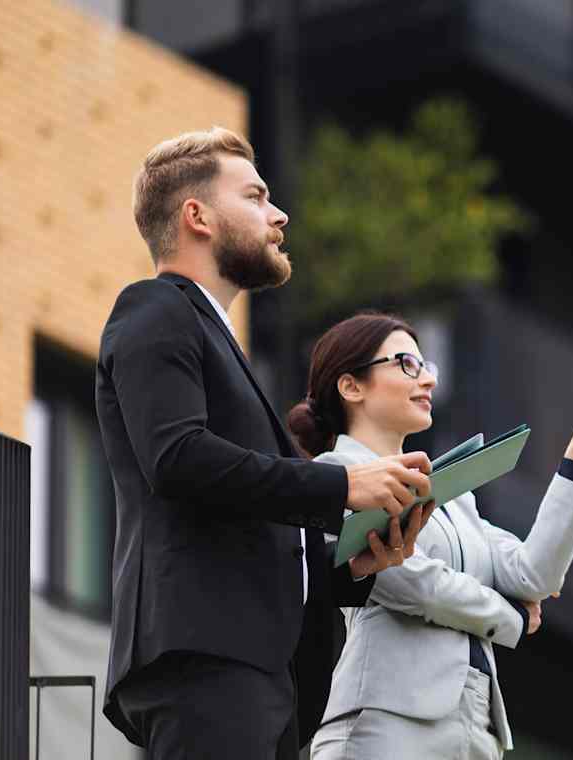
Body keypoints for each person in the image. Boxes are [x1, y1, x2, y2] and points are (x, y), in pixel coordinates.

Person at [96, 127, 439, 759]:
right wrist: (343, 486)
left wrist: (352, 571)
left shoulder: (221, 342)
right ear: (195, 215)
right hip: (208, 658)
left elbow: (255, 532)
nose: (278, 214)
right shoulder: (154, 308)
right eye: (255, 196)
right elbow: (177, 458)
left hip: (265, 677)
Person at [292, 313, 573, 759]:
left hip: (475, 730)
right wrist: (507, 614)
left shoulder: (452, 495)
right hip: (384, 726)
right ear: (351, 386)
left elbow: (534, 575)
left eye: (426, 366)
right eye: (406, 364)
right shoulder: (337, 476)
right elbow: (411, 581)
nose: (428, 380)